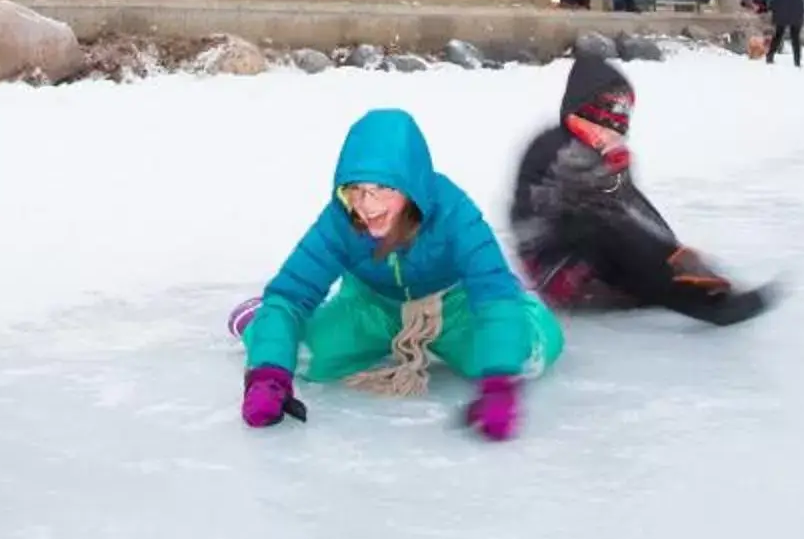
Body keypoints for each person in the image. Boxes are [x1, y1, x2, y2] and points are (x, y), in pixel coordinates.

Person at [233, 108, 563, 440]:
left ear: (412, 187)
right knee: (304, 356)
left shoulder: (453, 211)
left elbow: (493, 295)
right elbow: (290, 294)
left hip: (452, 306)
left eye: (382, 188)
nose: (368, 205)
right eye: (356, 190)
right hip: (372, 306)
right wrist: (268, 376)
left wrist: (499, 384)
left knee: (523, 353)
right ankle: (257, 321)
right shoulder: (340, 220)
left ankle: (522, 312)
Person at [511, 56, 776, 326]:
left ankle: (701, 288)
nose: (619, 117)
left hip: (590, 259)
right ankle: (705, 303)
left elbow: (633, 205)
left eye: (624, 109)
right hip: (555, 266)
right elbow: (587, 215)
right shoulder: (557, 147)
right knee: (616, 236)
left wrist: (671, 249)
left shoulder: (601, 152)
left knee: (645, 259)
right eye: (612, 106)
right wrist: (656, 255)